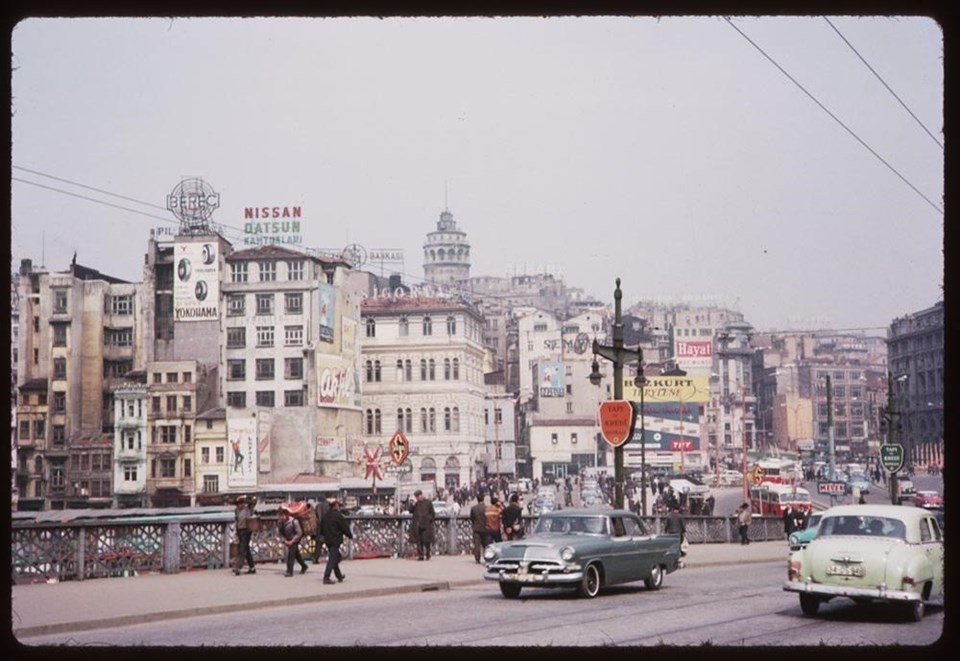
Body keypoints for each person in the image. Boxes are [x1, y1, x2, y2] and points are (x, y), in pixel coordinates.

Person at [320, 498, 352, 583]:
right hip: (335, 539)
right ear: (335, 505)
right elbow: (344, 527)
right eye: (337, 505)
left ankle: (339, 576)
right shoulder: (338, 515)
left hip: (328, 540)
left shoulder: (326, 515)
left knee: (335, 556)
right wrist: (349, 535)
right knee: (333, 559)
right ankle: (326, 577)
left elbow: (321, 527)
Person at [278, 507, 308, 577]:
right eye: (280, 516)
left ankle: (289, 571)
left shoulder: (294, 521)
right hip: (287, 539)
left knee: (291, 554)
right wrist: (284, 541)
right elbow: (280, 533)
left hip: (295, 538)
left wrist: (292, 541)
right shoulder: (280, 523)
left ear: (287, 515)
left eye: (283, 515)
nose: (281, 517)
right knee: (296, 554)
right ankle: (304, 566)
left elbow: (299, 533)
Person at [409, 489, 436, 561]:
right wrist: (413, 504)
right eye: (417, 497)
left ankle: (428, 554)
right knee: (419, 541)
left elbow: (432, 513)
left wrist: (429, 519)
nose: (418, 498)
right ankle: (420, 555)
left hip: (426, 524)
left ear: (422, 495)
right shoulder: (415, 503)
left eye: (419, 496)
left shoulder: (428, 502)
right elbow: (410, 510)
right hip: (417, 524)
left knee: (427, 540)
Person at [233, 495, 256, 575]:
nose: (239, 505)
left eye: (240, 503)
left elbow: (253, 501)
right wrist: (235, 531)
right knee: (245, 548)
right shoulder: (236, 510)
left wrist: (246, 498)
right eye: (238, 503)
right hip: (240, 530)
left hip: (246, 530)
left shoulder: (248, 508)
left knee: (242, 549)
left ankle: (238, 567)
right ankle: (252, 567)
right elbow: (236, 520)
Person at [469, 493, 487, 563]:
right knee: (486, 544)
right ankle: (487, 558)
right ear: (483, 499)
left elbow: (471, 518)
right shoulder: (486, 508)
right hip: (485, 528)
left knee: (477, 544)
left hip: (476, 528)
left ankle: (477, 559)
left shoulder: (473, 508)